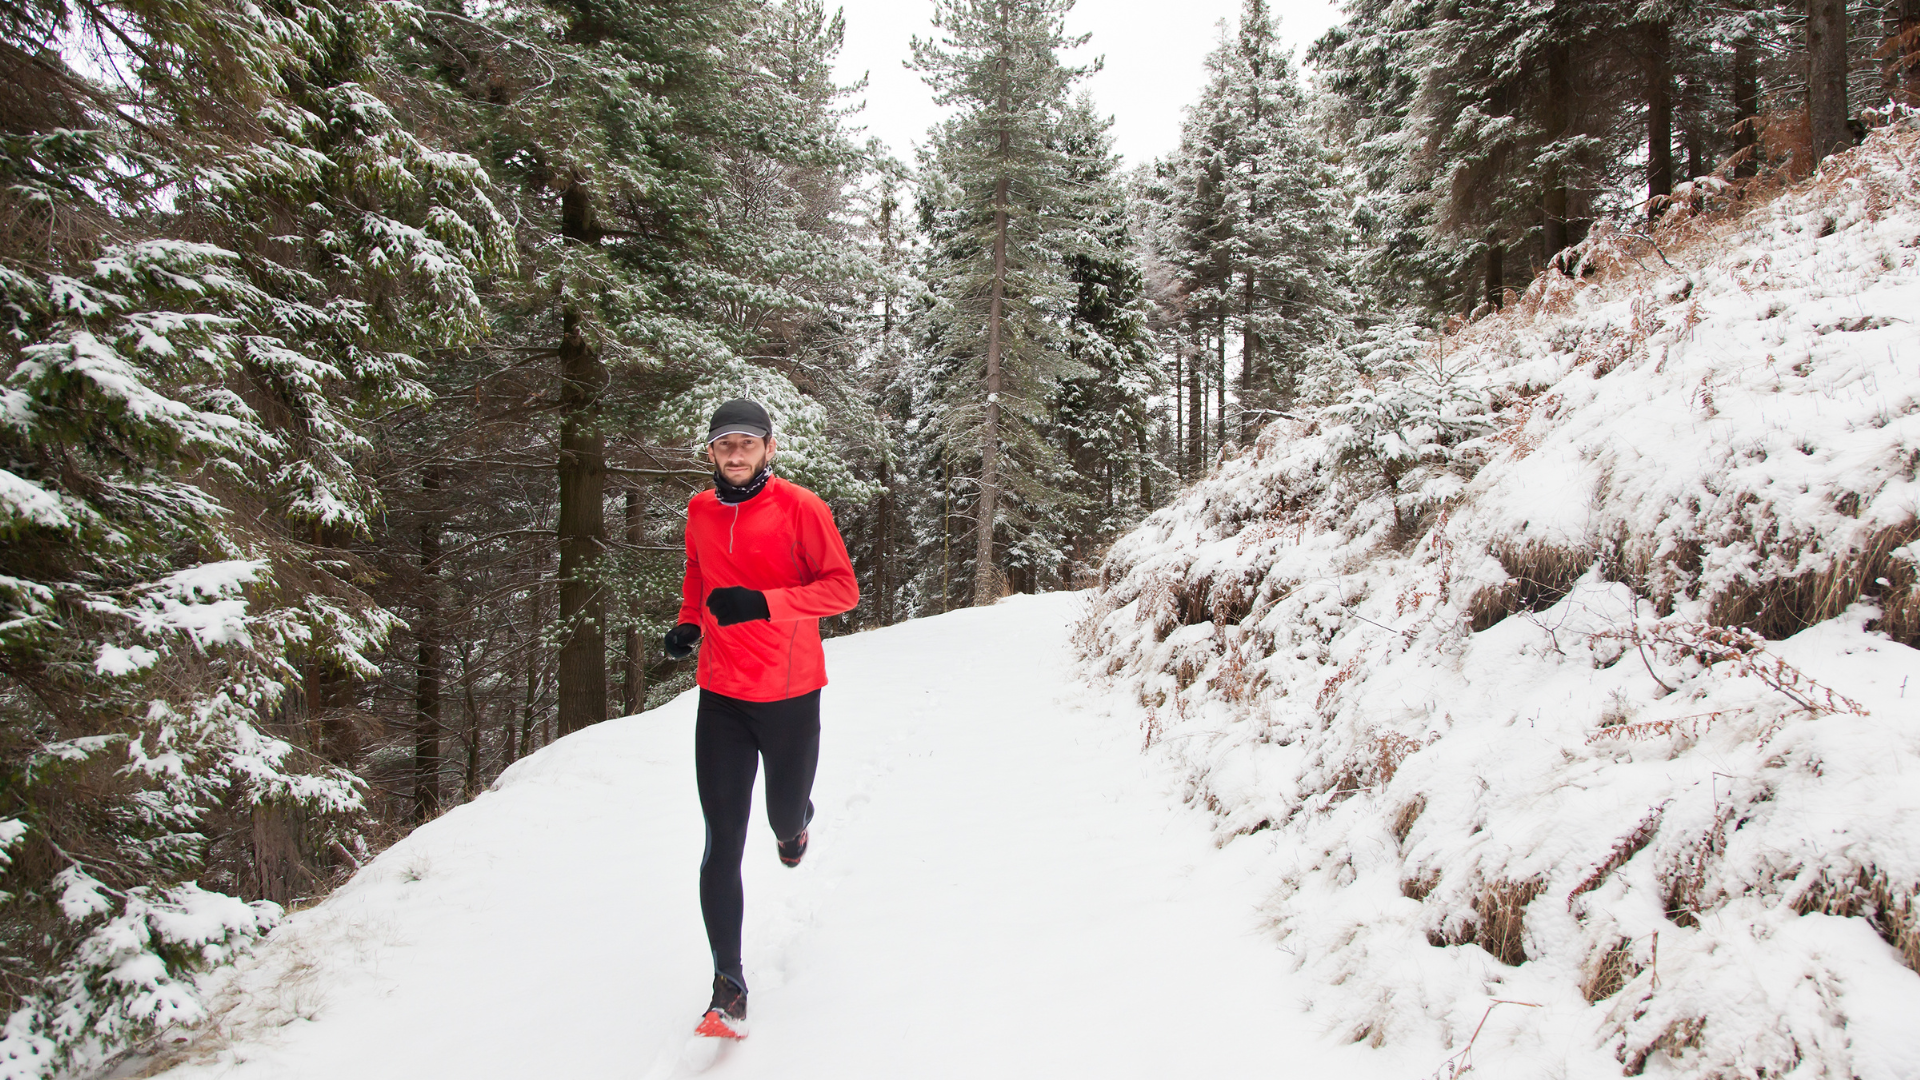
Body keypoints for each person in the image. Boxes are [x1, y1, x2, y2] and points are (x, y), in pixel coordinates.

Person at [663, 398, 859, 1040]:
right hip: (720, 694)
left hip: (790, 692)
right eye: (725, 444)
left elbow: (842, 589)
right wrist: (691, 622)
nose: (736, 452)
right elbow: (698, 570)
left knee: (780, 816)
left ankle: (795, 827)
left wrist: (764, 603)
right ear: (711, 454)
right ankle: (729, 986)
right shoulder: (698, 510)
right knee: (721, 840)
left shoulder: (803, 508)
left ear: (769, 449)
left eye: (748, 442)